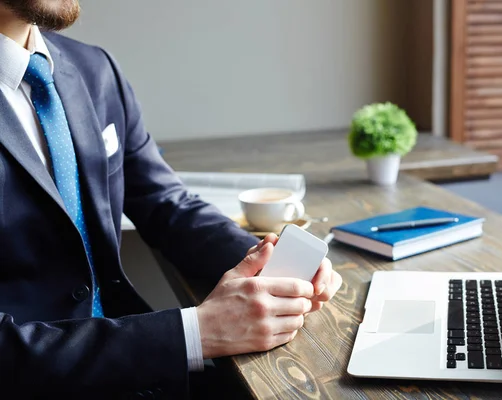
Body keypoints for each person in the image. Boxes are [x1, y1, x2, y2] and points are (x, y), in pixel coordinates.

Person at [0, 1, 343, 398]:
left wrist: (270, 264)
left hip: (139, 373)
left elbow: (165, 202)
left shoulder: (93, 69)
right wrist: (197, 334)